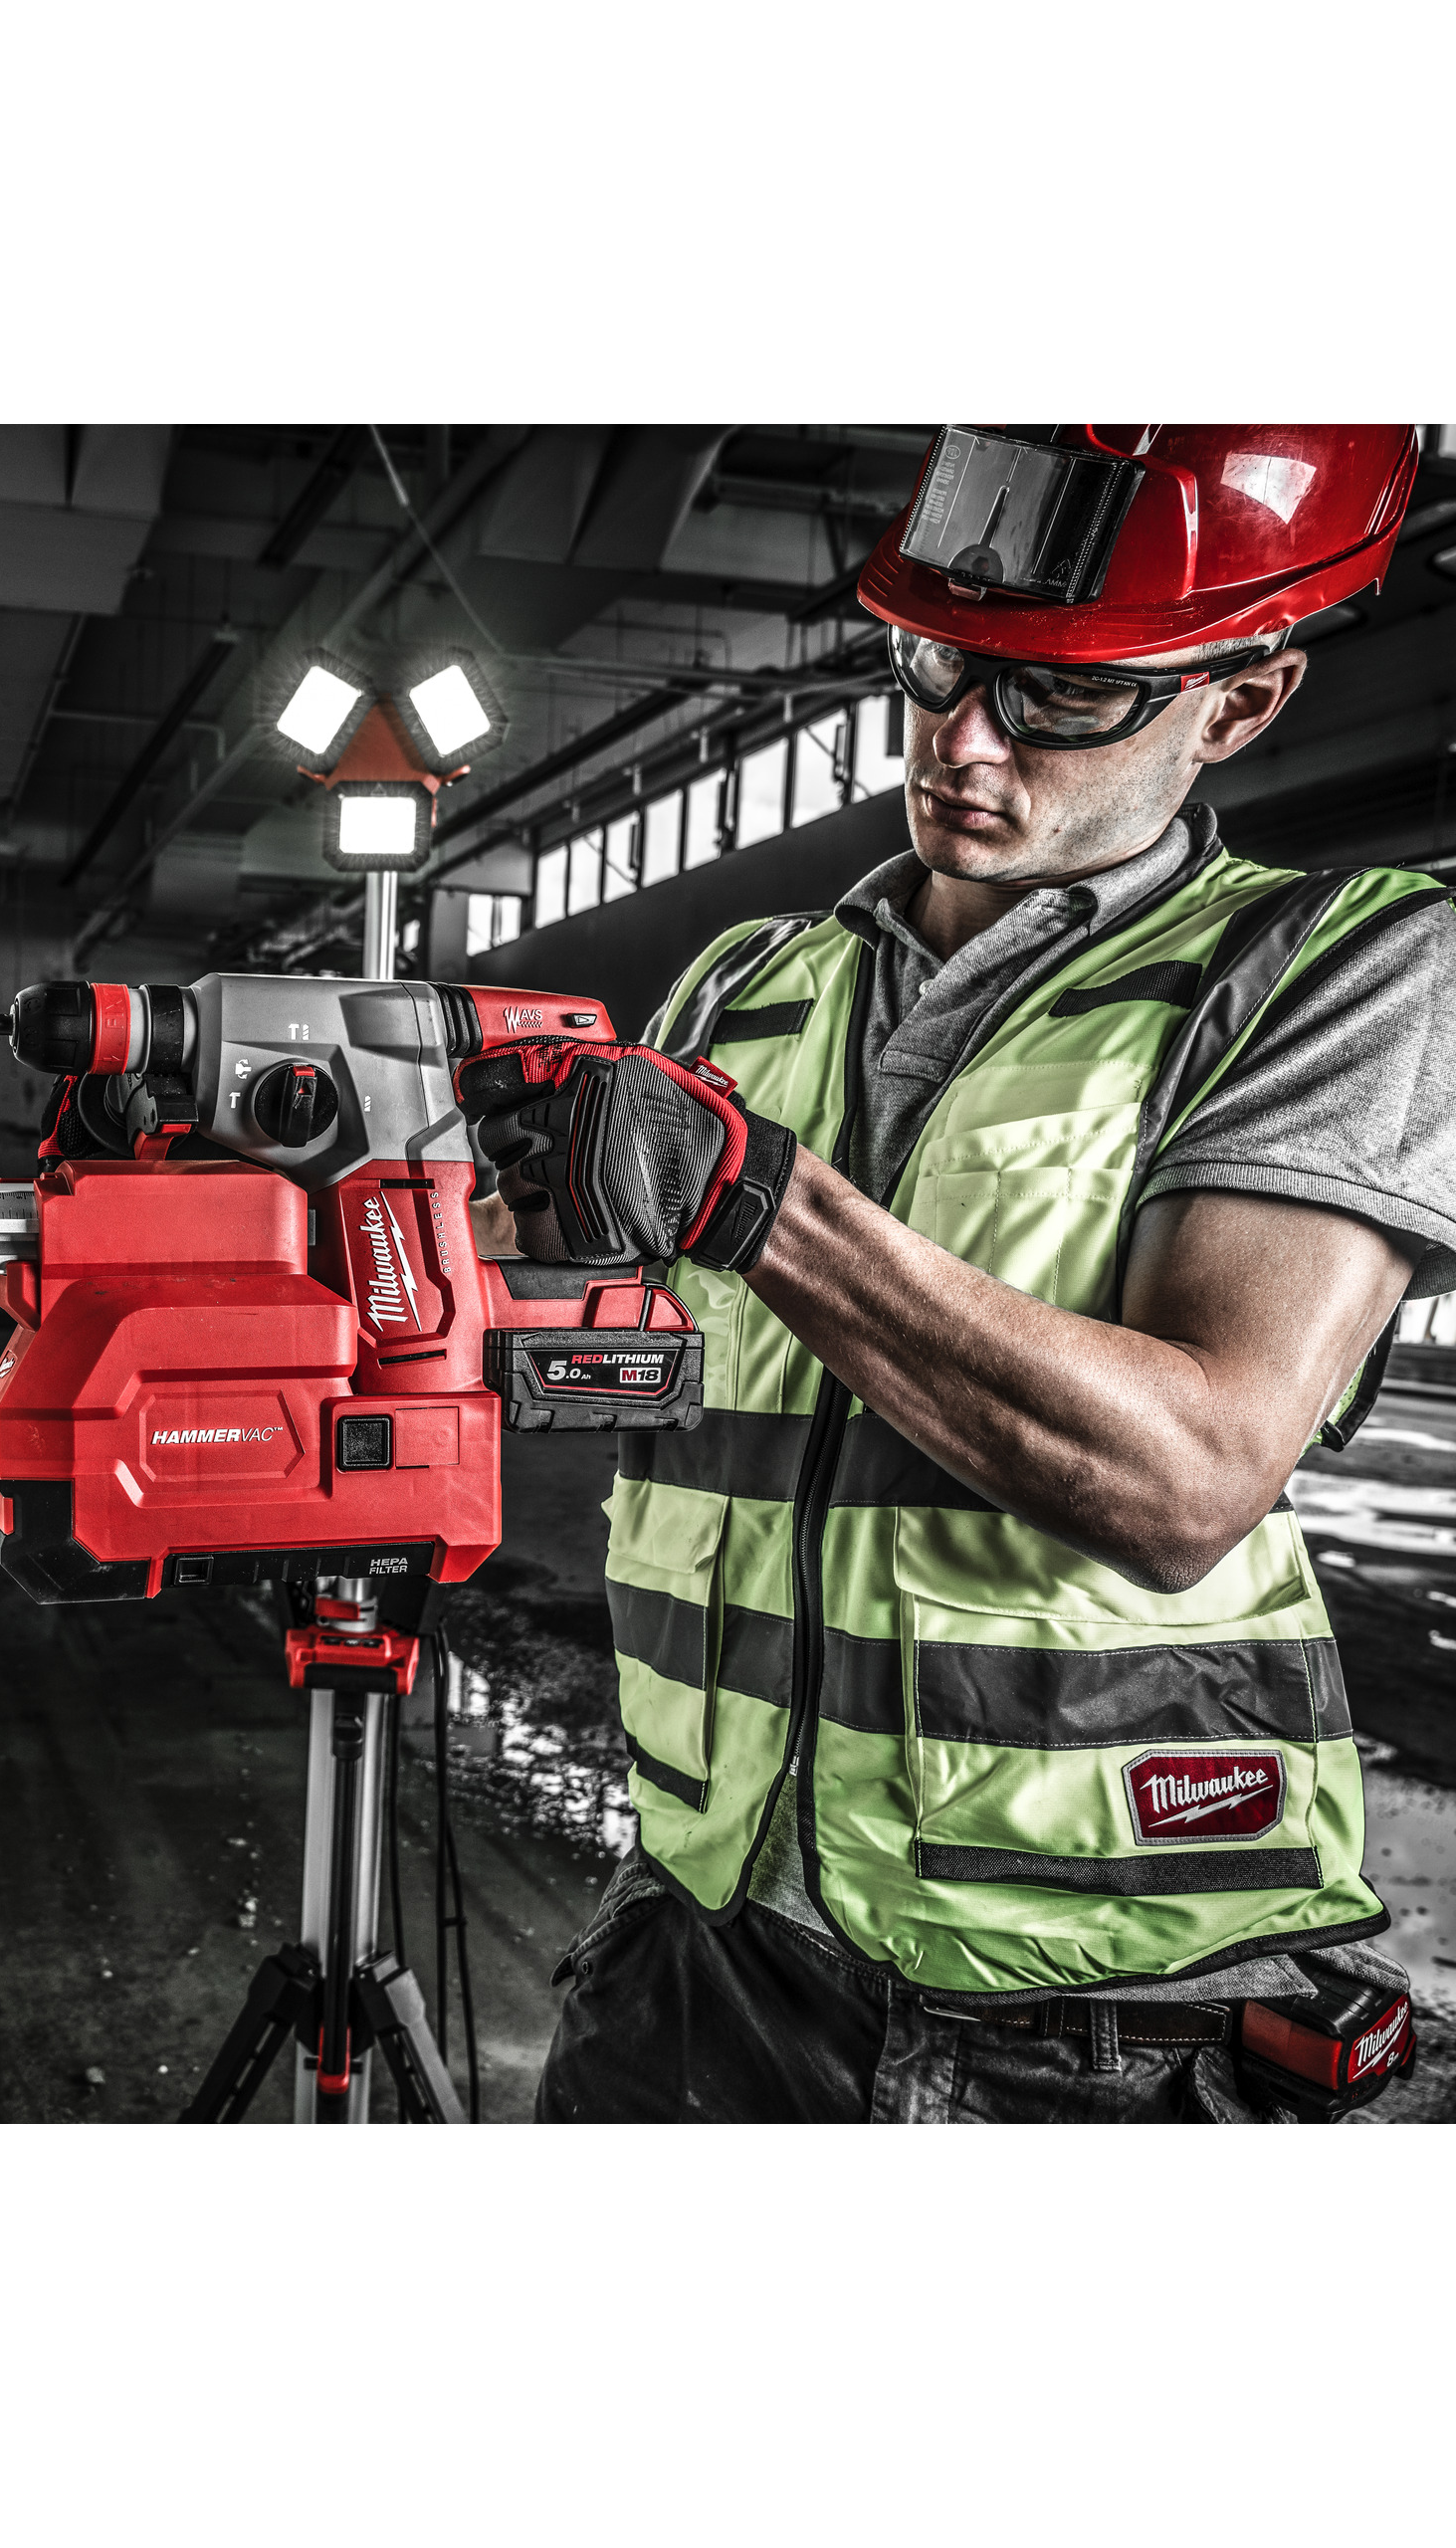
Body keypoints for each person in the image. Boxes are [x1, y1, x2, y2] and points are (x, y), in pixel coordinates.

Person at [461, 425, 1453, 2122]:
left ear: (1242, 702)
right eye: (937, 664)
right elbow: (588, 1326)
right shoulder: (747, 985)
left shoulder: (1330, 968)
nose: (963, 741)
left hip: (1083, 2007)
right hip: (697, 1921)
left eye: (1064, 696)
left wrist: (751, 1197)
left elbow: (1188, 1478)